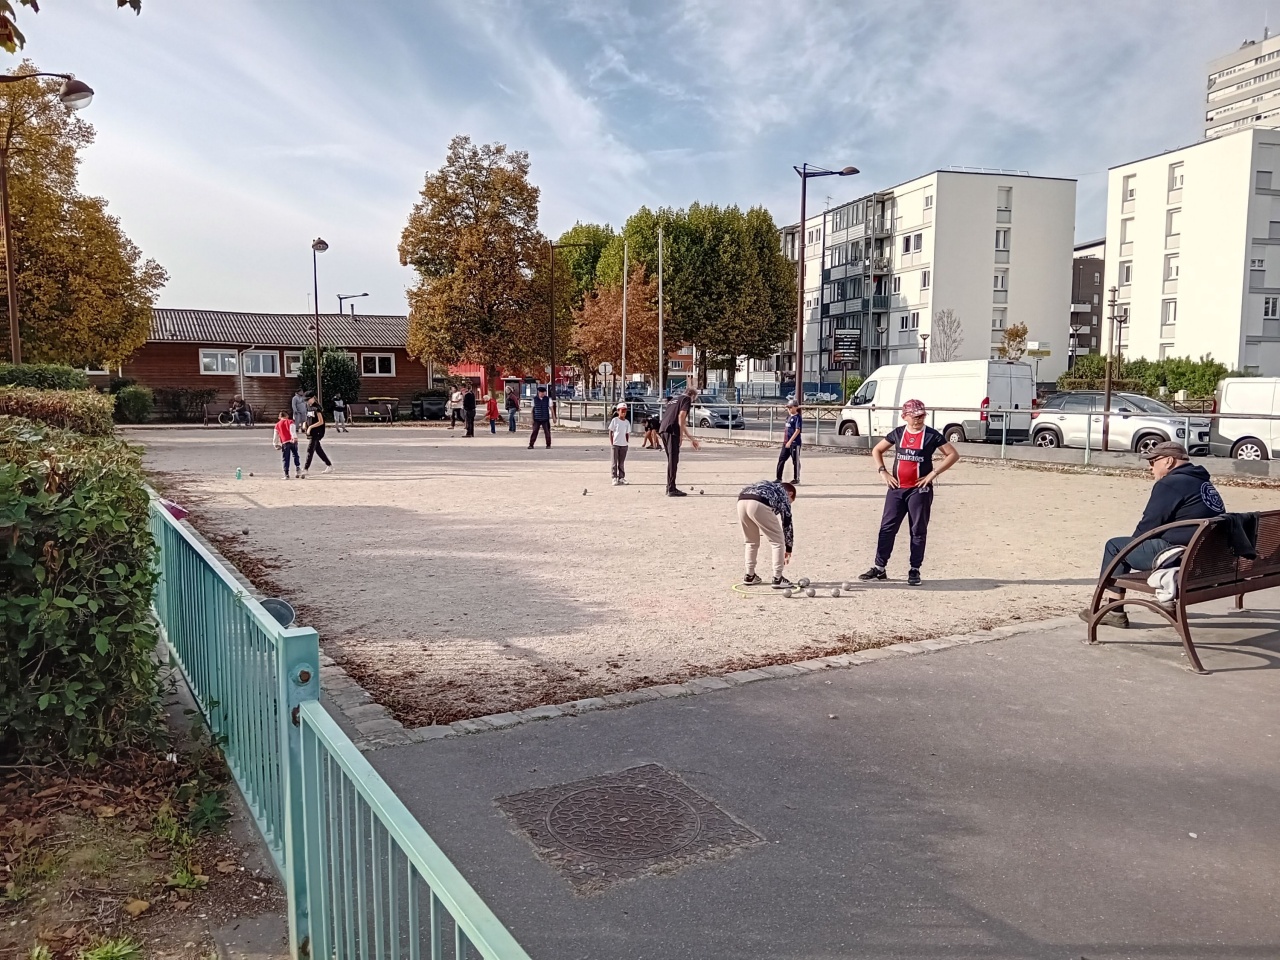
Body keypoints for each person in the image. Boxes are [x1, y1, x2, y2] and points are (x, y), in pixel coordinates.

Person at [1084, 441, 1225, 628]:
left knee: (1115, 546)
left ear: (1168, 461)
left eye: (1152, 461)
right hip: (1204, 558)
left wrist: (1133, 545)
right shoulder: (1202, 481)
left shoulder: (1171, 483)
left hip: (1178, 555)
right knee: (1128, 546)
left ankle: (1114, 612)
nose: (1150, 467)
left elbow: (1149, 523)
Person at [859, 398, 959, 586]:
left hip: (919, 490)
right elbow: (877, 450)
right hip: (897, 489)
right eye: (915, 416)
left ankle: (914, 569)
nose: (919, 419)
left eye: (921, 415)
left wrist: (934, 473)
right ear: (905, 416)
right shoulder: (898, 433)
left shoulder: (931, 435)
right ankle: (879, 568)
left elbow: (953, 454)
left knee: (917, 530)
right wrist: (883, 472)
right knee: (887, 528)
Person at [738, 480, 797, 588]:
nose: (789, 504)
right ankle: (777, 578)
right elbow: (787, 523)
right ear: (790, 494)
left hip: (742, 500)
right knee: (778, 542)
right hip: (760, 502)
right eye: (790, 501)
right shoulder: (783, 493)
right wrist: (788, 548)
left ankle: (749, 575)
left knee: (751, 541)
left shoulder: (770, 486)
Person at [659, 386, 701, 496]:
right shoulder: (686, 399)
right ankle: (671, 488)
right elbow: (681, 416)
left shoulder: (674, 399)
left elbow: (680, 421)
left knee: (671, 460)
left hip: (663, 429)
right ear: (692, 396)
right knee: (673, 460)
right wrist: (680, 435)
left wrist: (691, 438)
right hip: (672, 431)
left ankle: (669, 487)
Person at [301, 394, 333, 476]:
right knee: (318, 450)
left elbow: (321, 421)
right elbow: (308, 417)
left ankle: (305, 468)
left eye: (308, 399)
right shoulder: (308, 407)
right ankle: (329, 465)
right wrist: (305, 424)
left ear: (312, 398)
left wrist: (310, 427)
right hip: (311, 432)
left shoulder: (317, 408)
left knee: (310, 450)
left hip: (317, 432)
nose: (307, 401)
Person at [777, 399, 802, 484]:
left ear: (795, 407)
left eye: (790, 407)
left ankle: (796, 478)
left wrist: (790, 441)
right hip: (786, 442)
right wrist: (786, 441)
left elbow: (797, 430)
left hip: (794, 443)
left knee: (795, 461)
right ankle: (778, 478)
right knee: (781, 459)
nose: (789, 409)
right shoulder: (788, 417)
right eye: (788, 407)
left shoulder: (797, 418)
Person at [273, 411, 301, 479]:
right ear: (287, 416)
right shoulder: (290, 422)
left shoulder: (277, 425)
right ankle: (298, 468)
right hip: (292, 441)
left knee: (285, 458)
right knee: (295, 455)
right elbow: (292, 431)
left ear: (279, 417)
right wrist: (294, 437)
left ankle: (286, 474)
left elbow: (275, 436)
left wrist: (275, 444)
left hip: (285, 442)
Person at [608, 402, 630, 485]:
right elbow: (611, 431)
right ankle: (614, 477)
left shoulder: (627, 422)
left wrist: (626, 442)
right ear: (618, 411)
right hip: (616, 444)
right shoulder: (615, 420)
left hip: (623, 444)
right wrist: (612, 442)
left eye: (625, 411)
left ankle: (621, 477)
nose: (623, 413)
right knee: (614, 462)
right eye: (622, 411)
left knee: (621, 463)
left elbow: (627, 433)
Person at [528, 384, 552, 448]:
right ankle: (531, 444)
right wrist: (532, 419)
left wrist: (554, 417)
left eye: (544, 392)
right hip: (537, 418)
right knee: (535, 431)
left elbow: (551, 409)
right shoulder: (534, 399)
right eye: (542, 393)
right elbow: (532, 410)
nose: (543, 394)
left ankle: (548, 444)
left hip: (545, 418)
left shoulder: (548, 399)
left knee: (547, 432)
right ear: (539, 392)